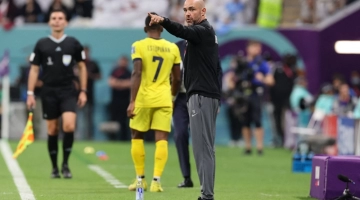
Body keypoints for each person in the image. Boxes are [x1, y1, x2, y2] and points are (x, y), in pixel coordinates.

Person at [148, 0, 223, 198]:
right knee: (203, 146)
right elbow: (217, 68)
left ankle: (207, 195)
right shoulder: (205, 33)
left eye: (192, 9)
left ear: (203, 11)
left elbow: (182, 31)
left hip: (201, 95)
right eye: (185, 10)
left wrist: (163, 20)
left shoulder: (202, 30)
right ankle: (206, 194)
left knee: (202, 147)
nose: (188, 13)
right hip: (202, 94)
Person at [27, 9, 87, 179]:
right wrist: (30, 93)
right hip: (49, 91)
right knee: (52, 130)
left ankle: (66, 164)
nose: (57, 21)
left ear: (66, 22)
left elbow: (82, 68)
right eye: (54, 18)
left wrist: (83, 91)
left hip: (68, 90)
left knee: (69, 126)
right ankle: (54, 167)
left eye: (60, 18)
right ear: (49, 22)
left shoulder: (73, 43)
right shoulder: (41, 44)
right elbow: (34, 69)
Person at [127, 12, 181, 193]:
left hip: (143, 98)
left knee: (137, 136)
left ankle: (140, 180)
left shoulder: (138, 46)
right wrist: (172, 98)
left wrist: (132, 101)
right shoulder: (173, 48)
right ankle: (156, 181)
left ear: (145, 29)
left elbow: (137, 73)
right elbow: (178, 79)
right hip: (164, 98)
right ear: (162, 28)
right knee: (162, 139)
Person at [241, 40, 274, 155]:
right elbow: (234, 76)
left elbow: (270, 81)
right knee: (245, 121)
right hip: (244, 93)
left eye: (258, 48)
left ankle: (259, 147)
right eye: (254, 47)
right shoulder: (243, 62)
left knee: (257, 120)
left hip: (256, 93)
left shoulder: (262, 63)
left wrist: (262, 79)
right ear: (248, 49)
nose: (257, 50)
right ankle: (248, 147)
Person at [173, 39, 194, 188]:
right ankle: (187, 177)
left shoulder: (206, 43)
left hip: (198, 96)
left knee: (201, 138)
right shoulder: (176, 47)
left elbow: (216, 70)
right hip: (180, 97)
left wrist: (216, 99)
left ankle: (205, 177)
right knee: (180, 134)